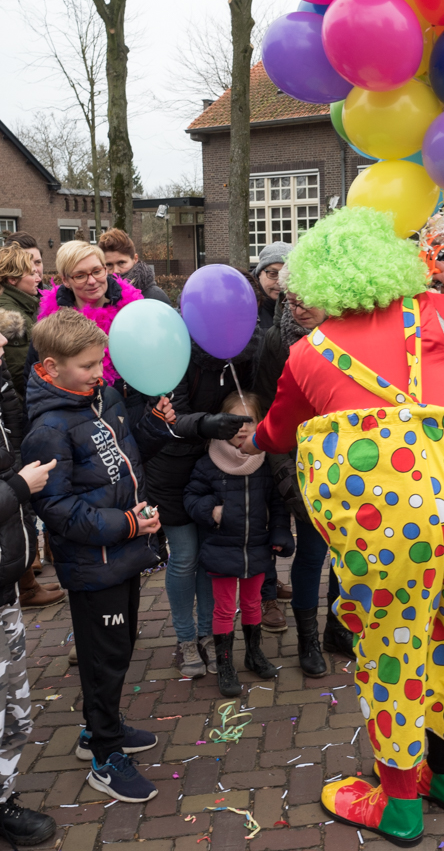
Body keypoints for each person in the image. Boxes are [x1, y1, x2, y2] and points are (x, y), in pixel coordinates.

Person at [239, 206, 444, 848]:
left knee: (394, 649)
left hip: (389, 531)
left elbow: (277, 433)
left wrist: (252, 434)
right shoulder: (433, 313)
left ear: (319, 280)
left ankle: (401, 803)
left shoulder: (307, 353)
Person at [22, 309, 177, 803]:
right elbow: (60, 510)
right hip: (94, 565)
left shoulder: (103, 399)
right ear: (50, 367)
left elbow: (124, 458)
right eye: (88, 365)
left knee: (122, 644)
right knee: (103, 658)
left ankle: (98, 729)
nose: (99, 373)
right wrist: (128, 523)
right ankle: (105, 756)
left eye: (100, 362)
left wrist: (152, 426)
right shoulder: (47, 429)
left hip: (126, 554)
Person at [144, 329, 261, 678]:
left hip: (216, 464)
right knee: (184, 557)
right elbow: (171, 416)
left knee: (209, 556)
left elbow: (250, 400)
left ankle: (210, 633)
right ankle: (185, 638)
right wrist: (208, 424)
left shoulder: (242, 353)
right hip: (172, 466)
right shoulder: (177, 353)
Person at [255, 280, 354, 677]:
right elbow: (268, 412)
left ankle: (337, 628)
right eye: (291, 301)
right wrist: (287, 480)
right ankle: (307, 639)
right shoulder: (277, 342)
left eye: (308, 301)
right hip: (301, 466)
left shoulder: (350, 337)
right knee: (312, 555)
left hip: (348, 464)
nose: (298, 309)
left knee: (347, 555)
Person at [184, 391, 293, 696]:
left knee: (252, 603)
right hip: (222, 550)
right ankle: (226, 662)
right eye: (235, 420)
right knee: (223, 609)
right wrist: (212, 511)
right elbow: (191, 497)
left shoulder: (264, 462)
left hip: (256, 548)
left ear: (260, 423)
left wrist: (280, 532)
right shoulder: (209, 463)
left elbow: (277, 502)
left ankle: (254, 653)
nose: (242, 427)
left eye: (250, 420)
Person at [0, 324, 57, 847]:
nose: (2, 342)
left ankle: (3, 797)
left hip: (3, 584)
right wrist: (18, 487)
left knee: (11, 705)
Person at [0, 253, 65, 609]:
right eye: (31, 268)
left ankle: (25, 578)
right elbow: (17, 363)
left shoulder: (32, 303)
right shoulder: (9, 310)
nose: (39, 273)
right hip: (18, 407)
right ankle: (24, 581)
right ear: (12, 278)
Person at [25, 241, 148, 425]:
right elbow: (36, 381)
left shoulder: (133, 310)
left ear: (105, 270)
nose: (92, 281)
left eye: (97, 271)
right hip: (75, 420)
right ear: (66, 280)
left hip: (133, 416)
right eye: (80, 275)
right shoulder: (51, 323)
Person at [0, 245, 40, 400]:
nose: (38, 278)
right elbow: (19, 373)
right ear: (12, 279)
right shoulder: (11, 314)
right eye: (31, 274)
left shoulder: (21, 306)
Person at [98, 228, 171, 304]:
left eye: (121, 263)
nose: (115, 271)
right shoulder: (98, 297)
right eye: (109, 265)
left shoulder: (155, 296)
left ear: (135, 259)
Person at [252, 242, 292, 331]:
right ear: (259, 274)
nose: (279, 282)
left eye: (286, 275)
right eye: (273, 274)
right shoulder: (245, 306)